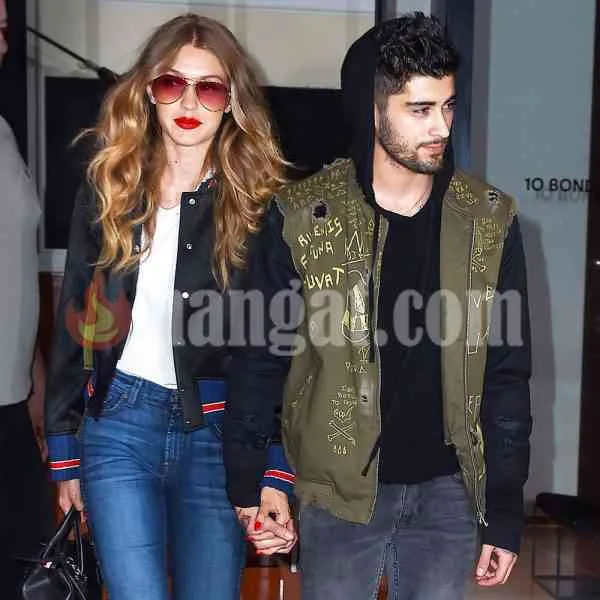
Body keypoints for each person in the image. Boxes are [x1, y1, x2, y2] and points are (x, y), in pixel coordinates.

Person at [226, 12, 532, 600]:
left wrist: (503, 510)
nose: (440, 126)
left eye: (447, 105)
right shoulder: (302, 216)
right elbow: (260, 358)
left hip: (448, 493)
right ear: (372, 111)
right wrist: (252, 478)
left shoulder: (489, 220)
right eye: (419, 109)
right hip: (338, 490)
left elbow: (506, 374)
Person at [44, 13, 296, 600]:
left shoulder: (261, 206)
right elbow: (76, 317)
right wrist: (64, 447)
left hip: (217, 433)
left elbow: (276, 347)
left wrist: (274, 465)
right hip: (117, 425)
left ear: (231, 101)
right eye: (171, 83)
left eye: (209, 88)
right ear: (148, 91)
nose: (188, 102)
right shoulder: (109, 185)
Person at [0, 1, 53, 597]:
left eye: (3, 29)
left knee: (35, 580)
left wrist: (35, 377)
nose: (3, 45)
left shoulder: (3, 133)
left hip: (12, 406)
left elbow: (12, 268)